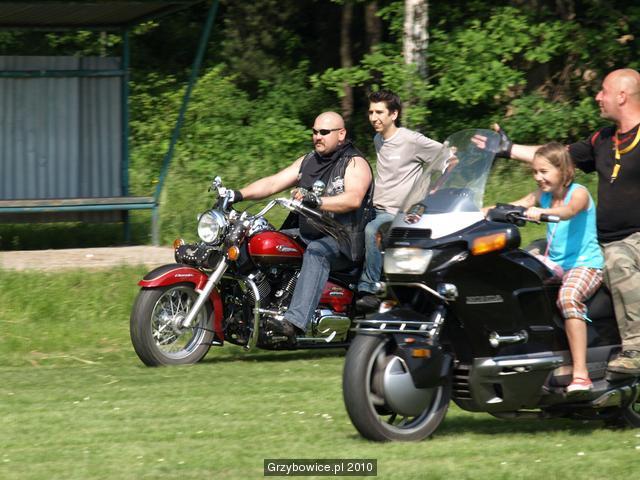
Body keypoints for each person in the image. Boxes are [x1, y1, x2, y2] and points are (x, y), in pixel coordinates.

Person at [494, 67, 640, 375]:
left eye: (603, 91)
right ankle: (540, 348)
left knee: (617, 259)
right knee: (525, 259)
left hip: (633, 239)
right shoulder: (603, 139)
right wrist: (507, 149)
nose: (597, 96)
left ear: (622, 96)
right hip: (599, 237)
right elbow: (555, 159)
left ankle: (635, 349)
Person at [232, 111, 373, 339]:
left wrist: (317, 200)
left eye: (324, 132)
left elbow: (353, 198)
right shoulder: (308, 160)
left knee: (317, 252)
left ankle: (295, 322)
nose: (318, 136)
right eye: (315, 132)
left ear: (341, 134)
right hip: (308, 232)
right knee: (259, 240)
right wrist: (237, 194)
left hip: (342, 239)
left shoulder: (354, 163)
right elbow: (273, 183)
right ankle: (252, 309)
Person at [496, 143, 604, 392]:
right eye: (535, 172)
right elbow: (514, 205)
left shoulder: (579, 193)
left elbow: (569, 211)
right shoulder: (542, 194)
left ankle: (581, 375)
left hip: (584, 264)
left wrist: (542, 213)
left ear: (563, 170)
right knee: (518, 286)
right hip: (556, 264)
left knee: (568, 298)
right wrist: (476, 213)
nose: (538, 177)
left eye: (544, 171)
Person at [356, 90, 442, 311]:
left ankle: (369, 290)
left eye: (379, 112)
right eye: (371, 112)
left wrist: (435, 189)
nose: (373, 118)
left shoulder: (411, 140)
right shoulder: (378, 139)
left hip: (399, 214)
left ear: (394, 114)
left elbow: (449, 157)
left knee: (372, 230)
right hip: (376, 208)